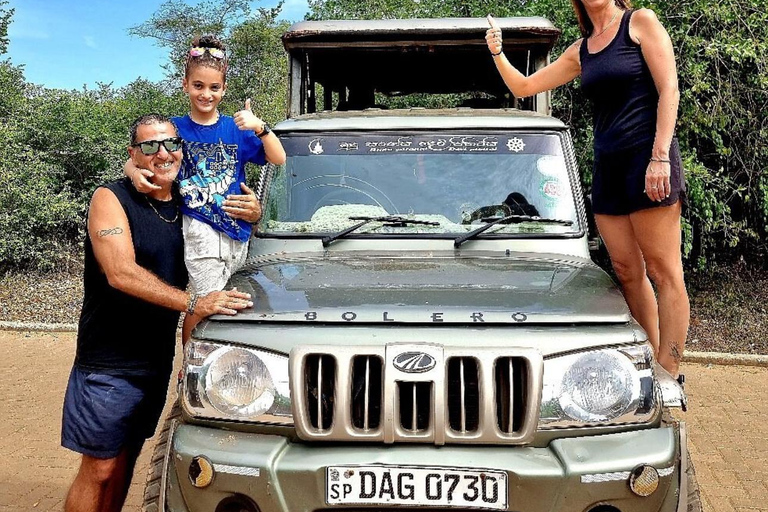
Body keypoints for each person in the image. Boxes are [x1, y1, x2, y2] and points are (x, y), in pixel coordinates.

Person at [62, 114, 254, 512]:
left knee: (127, 458)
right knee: (99, 468)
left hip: (154, 360)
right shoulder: (110, 198)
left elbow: (231, 208)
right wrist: (192, 304)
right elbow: (120, 272)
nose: (162, 153)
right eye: (148, 147)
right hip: (108, 364)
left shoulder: (188, 200)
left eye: (170, 144)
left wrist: (253, 210)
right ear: (133, 153)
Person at [486, 4, 689, 378]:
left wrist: (660, 156)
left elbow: (669, 88)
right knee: (628, 271)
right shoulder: (582, 49)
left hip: (649, 161)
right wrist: (498, 52)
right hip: (608, 169)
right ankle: (648, 364)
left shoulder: (639, 22)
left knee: (664, 272)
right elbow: (525, 86)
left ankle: (671, 371)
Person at [127, 34, 287, 342]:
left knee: (230, 304)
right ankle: (189, 372)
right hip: (200, 227)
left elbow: (278, 158)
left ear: (224, 89)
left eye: (214, 87)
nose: (206, 94)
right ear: (185, 85)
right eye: (198, 86)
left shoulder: (235, 128)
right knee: (204, 305)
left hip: (238, 231)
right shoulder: (174, 129)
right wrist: (133, 171)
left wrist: (260, 127)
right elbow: (140, 153)